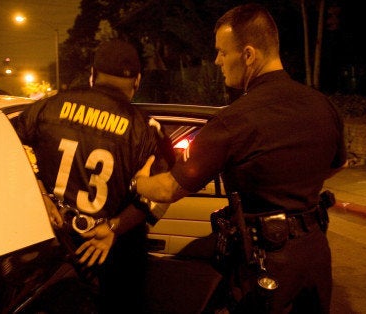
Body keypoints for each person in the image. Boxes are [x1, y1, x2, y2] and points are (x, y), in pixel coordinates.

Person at [133, 4, 346, 313]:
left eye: (222, 52)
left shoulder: (233, 122)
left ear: (248, 55)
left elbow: (168, 189)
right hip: (315, 256)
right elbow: (339, 164)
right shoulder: (323, 106)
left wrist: (138, 181)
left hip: (265, 264)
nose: (217, 60)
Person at [15, 39, 173, 313]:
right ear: (137, 81)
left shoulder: (46, 107)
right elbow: (164, 192)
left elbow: (9, 148)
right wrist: (115, 227)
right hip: (116, 252)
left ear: (92, 74)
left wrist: (40, 193)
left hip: (49, 244)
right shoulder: (146, 128)